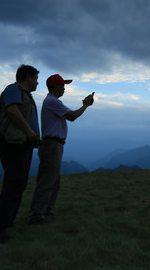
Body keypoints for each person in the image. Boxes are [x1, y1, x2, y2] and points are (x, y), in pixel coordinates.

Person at [0, 64, 40, 243]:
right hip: (13, 144)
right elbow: (12, 111)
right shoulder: (13, 89)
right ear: (27, 77)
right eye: (36, 78)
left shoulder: (26, 96)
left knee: (18, 185)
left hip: (23, 145)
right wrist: (29, 131)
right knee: (13, 186)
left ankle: (7, 222)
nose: (37, 82)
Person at [29, 74, 94, 224]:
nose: (64, 88)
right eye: (62, 85)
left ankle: (46, 209)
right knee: (47, 180)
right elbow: (72, 116)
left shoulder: (52, 101)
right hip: (52, 145)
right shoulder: (52, 101)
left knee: (53, 179)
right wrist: (86, 105)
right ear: (55, 87)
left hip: (53, 145)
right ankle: (37, 214)